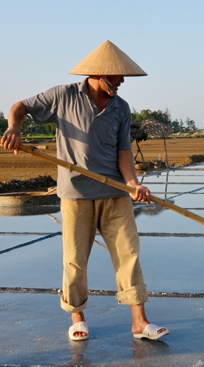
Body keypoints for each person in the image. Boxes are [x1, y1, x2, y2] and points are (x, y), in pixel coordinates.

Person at [1, 40, 169, 341]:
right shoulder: (63, 96)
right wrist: (14, 127)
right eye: (116, 77)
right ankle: (77, 316)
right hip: (76, 195)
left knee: (129, 254)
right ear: (99, 74)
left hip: (115, 192)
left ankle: (139, 322)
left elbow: (124, 153)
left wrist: (132, 184)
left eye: (122, 78)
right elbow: (20, 107)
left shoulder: (121, 108)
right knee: (75, 259)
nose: (120, 83)